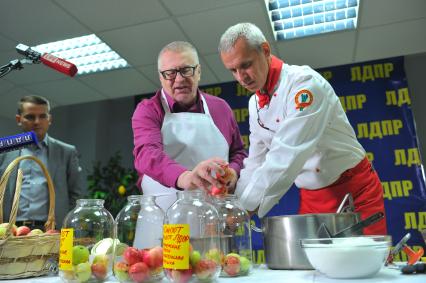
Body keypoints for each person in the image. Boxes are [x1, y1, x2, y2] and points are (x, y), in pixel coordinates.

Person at [218, 23, 387, 235]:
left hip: (354, 190)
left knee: (364, 265)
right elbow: (256, 162)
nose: (241, 77)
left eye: (246, 65)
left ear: (266, 50)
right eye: (233, 70)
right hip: (311, 196)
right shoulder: (255, 104)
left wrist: (242, 212)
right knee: (312, 267)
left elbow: (286, 155)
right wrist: (234, 208)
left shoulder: (304, 85)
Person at [132, 41, 247, 211]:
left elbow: (238, 152)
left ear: (199, 71)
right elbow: (147, 154)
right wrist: (186, 177)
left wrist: (233, 173)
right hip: (162, 221)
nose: (179, 79)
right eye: (170, 73)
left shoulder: (221, 108)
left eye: (186, 70)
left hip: (213, 219)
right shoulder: (148, 110)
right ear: (160, 77)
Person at [0, 95, 85, 230]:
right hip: (9, 229)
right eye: (30, 117)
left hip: (52, 229)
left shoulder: (66, 152)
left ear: (49, 119)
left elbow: (76, 193)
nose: (37, 122)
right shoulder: (4, 150)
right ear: (19, 119)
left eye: (42, 116)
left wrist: (66, 223)